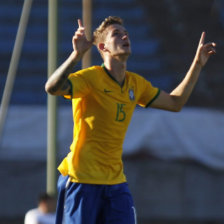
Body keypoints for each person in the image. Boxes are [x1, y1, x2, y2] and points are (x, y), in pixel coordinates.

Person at [45, 16, 216, 224]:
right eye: (116, 33)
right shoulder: (90, 78)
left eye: (126, 33)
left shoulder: (136, 84)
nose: (125, 36)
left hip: (116, 183)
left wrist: (197, 64)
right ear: (103, 47)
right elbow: (52, 88)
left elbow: (175, 103)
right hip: (82, 180)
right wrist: (75, 56)